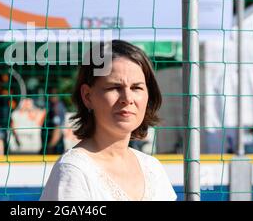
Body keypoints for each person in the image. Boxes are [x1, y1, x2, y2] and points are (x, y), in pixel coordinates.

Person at [40, 40, 177, 201]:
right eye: (114, 87)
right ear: (87, 96)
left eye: (136, 87)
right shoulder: (74, 170)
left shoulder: (152, 168)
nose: (127, 98)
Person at [39, 87, 67, 155]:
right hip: (51, 146)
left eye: (52, 95)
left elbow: (57, 129)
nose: (49, 97)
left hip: (54, 149)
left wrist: (50, 147)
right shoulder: (52, 106)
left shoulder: (57, 108)